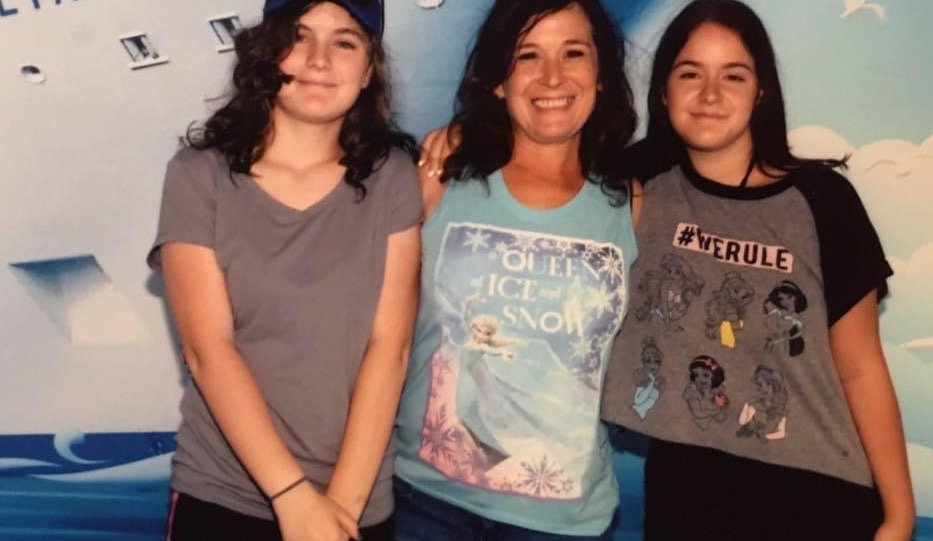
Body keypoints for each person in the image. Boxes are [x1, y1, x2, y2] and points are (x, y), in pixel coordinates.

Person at [598, 1, 915, 539]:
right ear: (664, 90)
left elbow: (861, 368)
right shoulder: (637, 190)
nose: (710, 94)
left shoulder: (822, 201)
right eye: (690, 73)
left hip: (817, 497)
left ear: (761, 91)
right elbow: (541, 170)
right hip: (684, 492)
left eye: (734, 75)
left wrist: (900, 515)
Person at [148, 1, 421, 540]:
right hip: (223, 496)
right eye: (299, 36)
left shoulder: (393, 177)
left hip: (354, 503)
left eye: (344, 41)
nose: (319, 59)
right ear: (266, 52)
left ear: (369, 70)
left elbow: (390, 347)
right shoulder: (198, 175)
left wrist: (341, 510)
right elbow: (208, 350)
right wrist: (292, 498)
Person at [392, 1, 637, 539]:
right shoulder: (438, 180)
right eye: (528, 55)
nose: (552, 76)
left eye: (574, 53)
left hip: (561, 524)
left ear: (601, 75)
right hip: (423, 503)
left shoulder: (633, 204)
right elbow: (382, 338)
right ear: (498, 81)